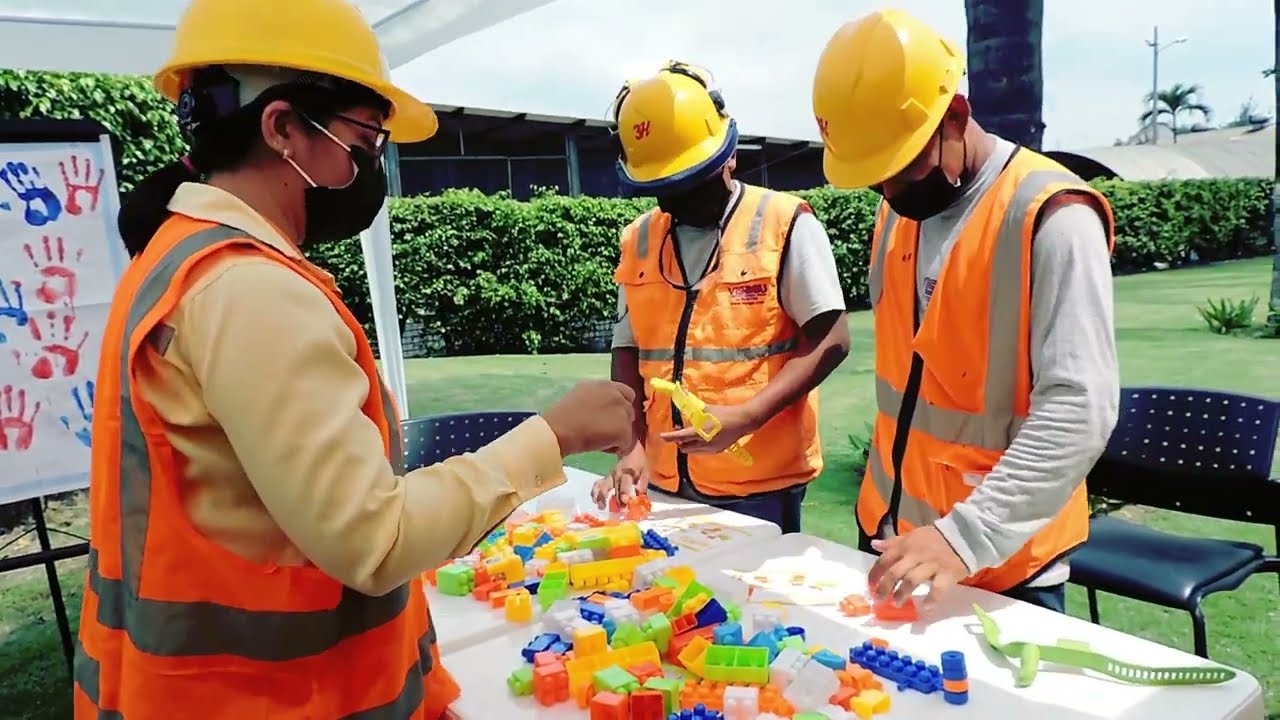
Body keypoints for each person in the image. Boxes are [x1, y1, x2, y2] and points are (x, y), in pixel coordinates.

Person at [73, 1, 636, 718]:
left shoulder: (174, 260)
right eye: (364, 136)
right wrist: (554, 436)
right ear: (282, 128)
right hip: (270, 699)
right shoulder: (250, 291)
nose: (373, 162)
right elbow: (375, 539)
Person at [811, 10, 1120, 614]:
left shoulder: (1052, 217)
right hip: (894, 537)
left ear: (955, 115)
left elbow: (1080, 406)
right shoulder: (898, 211)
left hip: (1002, 566)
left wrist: (963, 536)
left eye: (903, 167)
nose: (891, 191)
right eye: (876, 178)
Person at [591, 61, 851, 534]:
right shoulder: (640, 240)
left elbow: (832, 338)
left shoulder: (785, 223)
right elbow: (627, 351)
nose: (680, 200)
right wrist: (630, 445)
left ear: (729, 154)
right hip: (665, 478)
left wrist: (746, 416)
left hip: (761, 485)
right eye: (664, 189)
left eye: (694, 180)